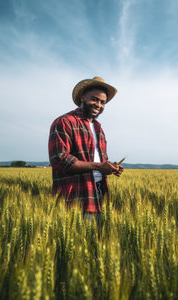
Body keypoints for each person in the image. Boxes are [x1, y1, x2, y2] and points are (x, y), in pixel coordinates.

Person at [48, 76, 124, 221]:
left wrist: (110, 167)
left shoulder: (98, 128)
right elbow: (60, 160)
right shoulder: (64, 122)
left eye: (102, 102)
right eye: (94, 99)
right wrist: (99, 166)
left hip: (98, 195)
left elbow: (99, 160)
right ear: (83, 97)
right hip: (75, 196)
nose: (98, 105)